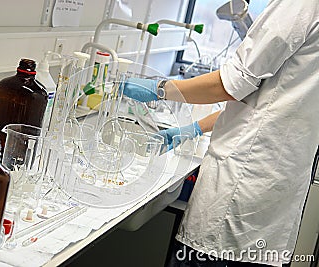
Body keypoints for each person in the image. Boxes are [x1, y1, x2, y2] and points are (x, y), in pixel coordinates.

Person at [123, 0, 319, 266]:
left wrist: (161, 88)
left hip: (239, 194)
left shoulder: (299, 5)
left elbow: (233, 84)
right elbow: (273, 100)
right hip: (275, 196)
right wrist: (195, 128)